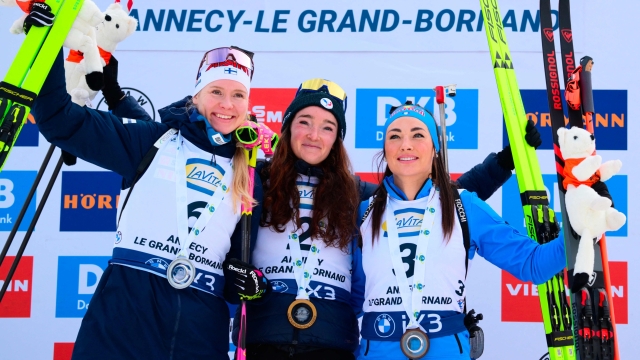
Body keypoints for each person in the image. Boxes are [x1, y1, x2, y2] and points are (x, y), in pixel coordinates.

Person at [229, 79, 544, 359]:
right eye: (304, 122)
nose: (314, 135)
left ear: (338, 137)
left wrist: (504, 162)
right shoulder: (257, 181)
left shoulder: (356, 195)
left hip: (331, 342)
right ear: (287, 126)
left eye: (327, 126)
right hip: (262, 338)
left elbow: (433, 200)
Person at [31, 46, 269, 359]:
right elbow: (59, 119)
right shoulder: (151, 141)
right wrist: (45, 44)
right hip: (124, 318)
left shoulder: (250, 175)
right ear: (196, 94)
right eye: (216, 91)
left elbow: (235, 273)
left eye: (238, 94)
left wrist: (248, 284)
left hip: (199, 332)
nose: (227, 104)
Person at [351, 103, 568, 359]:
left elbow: (533, 264)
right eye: (394, 136)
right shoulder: (363, 213)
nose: (405, 144)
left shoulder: (463, 207)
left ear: (435, 148)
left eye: (418, 134)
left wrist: (581, 228)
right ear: (384, 149)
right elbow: (350, 297)